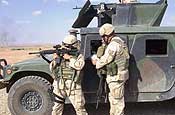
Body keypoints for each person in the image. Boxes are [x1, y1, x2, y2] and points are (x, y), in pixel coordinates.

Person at [91, 23, 130, 115]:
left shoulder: (113, 45)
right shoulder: (120, 41)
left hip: (116, 77)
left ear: (107, 35)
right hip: (118, 76)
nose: (102, 39)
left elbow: (105, 60)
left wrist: (96, 61)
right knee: (113, 100)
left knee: (117, 102)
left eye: (103, 37)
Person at [50, 34, 88, 115]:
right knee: (56, 107)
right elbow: (52, 69)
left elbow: (79, 66)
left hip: (73, 86)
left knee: (79, 108)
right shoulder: (60, 55)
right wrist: (55, 59)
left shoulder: (78, 56)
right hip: (59, 84)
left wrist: (70, 58)